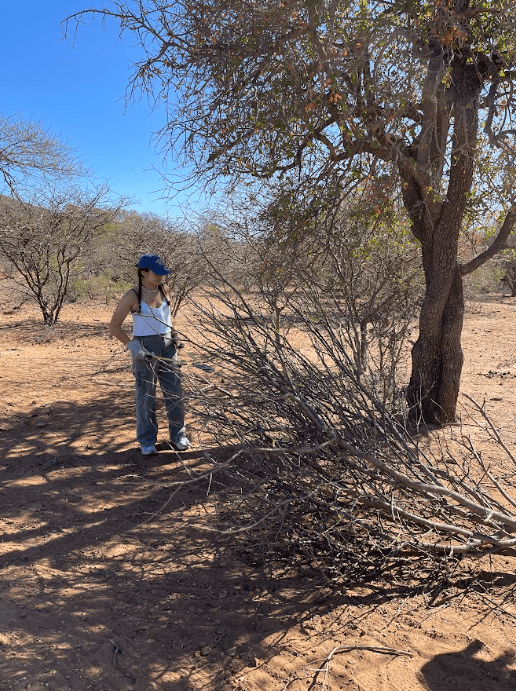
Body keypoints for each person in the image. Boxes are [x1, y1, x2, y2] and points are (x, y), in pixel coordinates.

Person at [109, 253, 190, 455]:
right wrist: (131, 345)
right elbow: (114, 326)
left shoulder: (165, 289)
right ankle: (146, 441)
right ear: (143, 272)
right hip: (144, 347)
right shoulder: (132, 296)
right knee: (146, 395)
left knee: (175, 392)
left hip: (167, 346)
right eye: (156, 273)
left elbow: (167, 317)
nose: (161, 276)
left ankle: (179, 436)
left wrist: (175, 334)